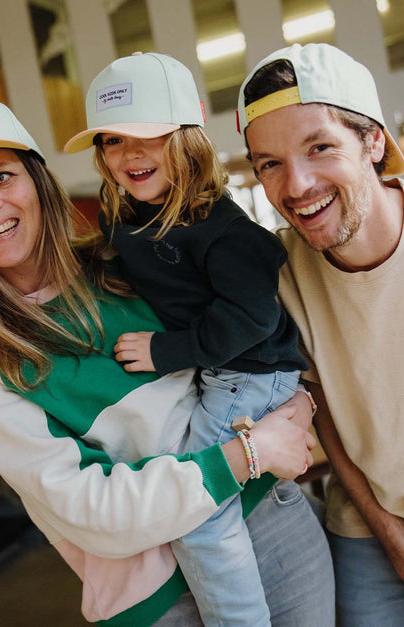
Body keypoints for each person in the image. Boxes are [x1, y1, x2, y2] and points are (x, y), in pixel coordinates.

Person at [0, 101, 335, 626]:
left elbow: (242, 342)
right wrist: (251, 451)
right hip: (155, 598)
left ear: (39, 185)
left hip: (268, 525)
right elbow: (89, 508)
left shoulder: (125, 261)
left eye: (3, 176)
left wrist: (292, 397)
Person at [64, 51, 316, 626]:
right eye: (109, 140)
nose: (127, 154)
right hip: (222, 373)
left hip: (248, 374)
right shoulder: (131, 218)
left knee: (199, 511)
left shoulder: (223, 232)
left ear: (188, 139)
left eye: (146, 136)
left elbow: (248, 322)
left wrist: (163, 350)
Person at [237, 42, 404, 626]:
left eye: (320, 147)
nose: (296, 185)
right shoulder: (274, 276)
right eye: (268, 162)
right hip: (371, 527)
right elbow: (327, 421)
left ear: (373, 140)